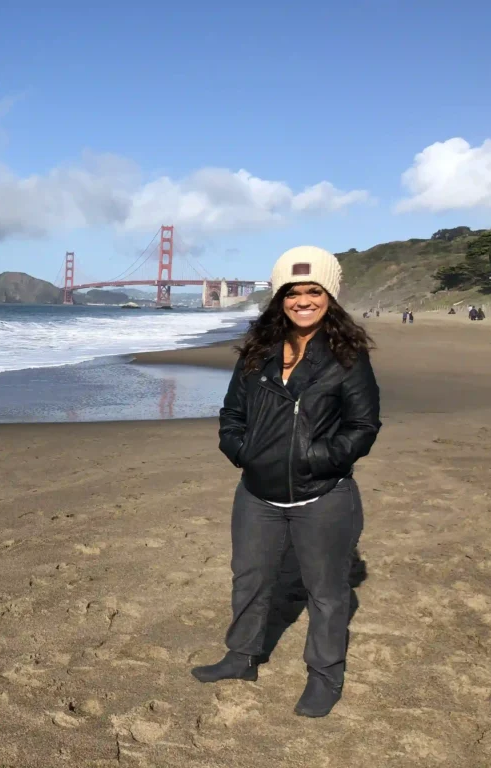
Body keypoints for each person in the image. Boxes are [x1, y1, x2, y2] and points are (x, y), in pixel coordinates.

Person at [191, 245, 381, 718]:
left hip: (323, 494)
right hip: (257, 494)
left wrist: (317, 458)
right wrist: (242, 453)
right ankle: (241, 658)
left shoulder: (347, 356)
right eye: (292, 292)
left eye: (312, 291)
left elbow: (363, 426)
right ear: (279, 298)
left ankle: (324, 676)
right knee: (250, 579)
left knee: (327, 591)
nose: (302, 300)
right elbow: (231, 413)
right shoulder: (258, 352)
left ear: (329, 296)